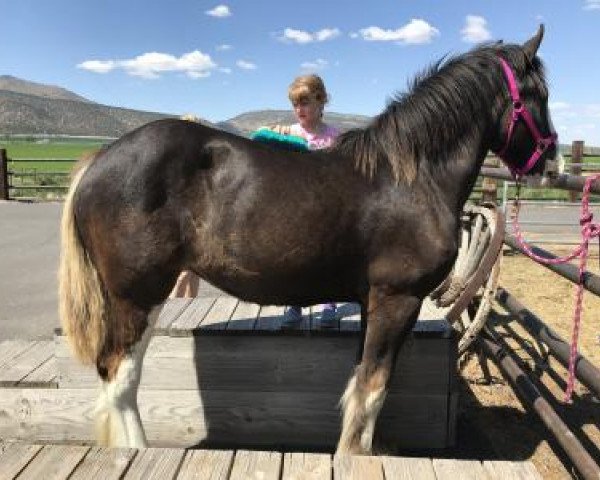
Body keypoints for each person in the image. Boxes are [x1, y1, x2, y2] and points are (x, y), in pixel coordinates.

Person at [264, 74, 340, 327]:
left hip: (325, 209)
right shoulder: (289, 134)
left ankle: (328, 302)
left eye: (305, 102)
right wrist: (273, 138)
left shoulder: (335, 138)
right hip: (293, 211)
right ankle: (293, 304)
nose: (299, 109)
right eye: (295, 104)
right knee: (293, 258)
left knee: (328, 256)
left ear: (321, 101)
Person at [169, 114, 202, 299]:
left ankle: (191, 306)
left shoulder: (197, 157)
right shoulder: (177, 160)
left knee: (195, 271)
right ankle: (172, 311)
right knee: (183, 273)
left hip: (197, 220)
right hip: (182, 221)